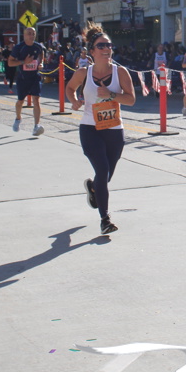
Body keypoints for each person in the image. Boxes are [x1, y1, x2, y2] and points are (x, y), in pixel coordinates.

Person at [66, 24, 136, 235]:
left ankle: (94, 188)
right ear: (92, 51)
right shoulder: (83, 73)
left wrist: (111, 95)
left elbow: (131, 99)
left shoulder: (120, 72)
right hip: (90, 129)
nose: (106, 49)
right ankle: (105, 219)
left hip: (114, 130)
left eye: (109, 45)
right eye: (101, 46)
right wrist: (74, 100)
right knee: (102, 170)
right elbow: (70, 88)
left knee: (105, 176)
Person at [8, 27, 47, 136]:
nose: (31, 36)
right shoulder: (19, 47)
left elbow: (41, 54)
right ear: (24, 35)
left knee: (36, 100)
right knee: (20, 101)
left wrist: (41, 63)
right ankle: (18, 118)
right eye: (29, 33)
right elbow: (10, 63)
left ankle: (36, 126)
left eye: (33, 33)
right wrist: (23, 62)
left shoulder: (38, 46)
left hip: (35, 77)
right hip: (23, 78)